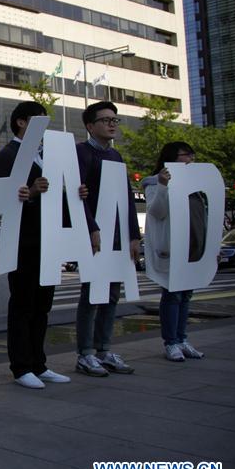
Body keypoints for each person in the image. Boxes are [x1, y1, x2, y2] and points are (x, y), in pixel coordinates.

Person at [0, 101, 75, 389]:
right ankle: (21, 366)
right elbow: (0, 201)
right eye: (38, 119)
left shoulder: (45, 156)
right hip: (23, 241)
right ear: (21, 123)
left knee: (43, 305)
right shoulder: (7, 156)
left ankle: (39, 364)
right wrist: (32, 194)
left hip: (47, 240)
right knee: (23, 303)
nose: (44, 125)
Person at [74, 101, 141, 377]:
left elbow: (126, 197)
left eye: (115, 119)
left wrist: (134, 235)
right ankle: (85, 353)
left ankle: (104, 349)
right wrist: (90, 227)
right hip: (95, 234)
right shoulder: (81, 153)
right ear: (90, 126)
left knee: (112, 294)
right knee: (92, 294)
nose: (112, 124)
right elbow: (78, 196)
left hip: (117, 235)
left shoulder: (116, 157)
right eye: (105, 120)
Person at [142, 142, 206, 362]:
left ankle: (181, 339)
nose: (190, 159)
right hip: (171, 248)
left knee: (185, 295)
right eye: (185, 155)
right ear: (171, 158)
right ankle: (171, 342)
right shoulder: (154, 182)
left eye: (192, 155)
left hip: (193, 247)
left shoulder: (195, 186)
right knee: (172, 295)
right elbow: (157, 211)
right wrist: (162, 185)